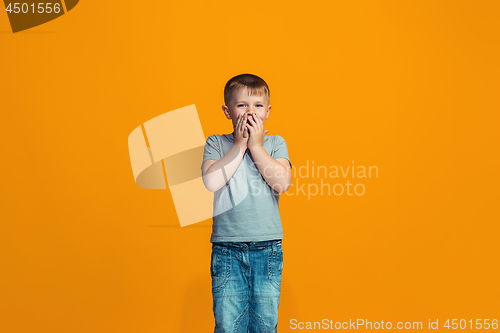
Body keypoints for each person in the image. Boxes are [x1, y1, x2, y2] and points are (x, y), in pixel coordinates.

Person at [200, 73, 293, 333]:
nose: (250, 111)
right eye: (242, 105)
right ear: (227, 111)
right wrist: (240, 145)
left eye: (257, 106)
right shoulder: (217, 144)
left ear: (268, 112)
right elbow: (211, 182)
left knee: (265, 322)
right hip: (227, 248)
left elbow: (282, 183)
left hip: (267, 247)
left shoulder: (275, 144)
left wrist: (256, 146)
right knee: (229, 323)